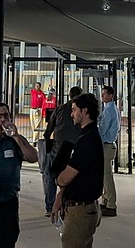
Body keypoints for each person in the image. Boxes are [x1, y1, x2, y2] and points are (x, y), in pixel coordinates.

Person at [0, 101, 38, 248]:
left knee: (7, 242)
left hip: (8, 203)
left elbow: (33, 157)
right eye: (0, 116)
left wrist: (16, 136)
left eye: (7, 116)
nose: (4, 119)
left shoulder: (15, 141)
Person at [50, 92, 104, 247]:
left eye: (74, 110)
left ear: (85, 111)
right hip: (81, 208)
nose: (71, 114)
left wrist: (58, 179)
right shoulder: (87, 135)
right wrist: (61, 196)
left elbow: (67, 177)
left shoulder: (88, 141)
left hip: (80, 212)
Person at [42, 86, 83, 215]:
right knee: (71, 178)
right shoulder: (82, 111)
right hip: (74, 150)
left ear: (69, 95)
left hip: (58, 148)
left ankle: (50, 206)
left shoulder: (60, 109)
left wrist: (47, 138)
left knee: (50, 176)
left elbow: (50, 128)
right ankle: (68, 203)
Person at [98, 85, 120, 217]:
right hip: (108, 144)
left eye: (104, 94)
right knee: (105, 175)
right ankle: (106, 200)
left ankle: (111, 204)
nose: (102, 96)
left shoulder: (109, 110)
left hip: (106, 144)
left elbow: (103, 128)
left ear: (111, 95)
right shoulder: (111, 109)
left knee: (107, 176)